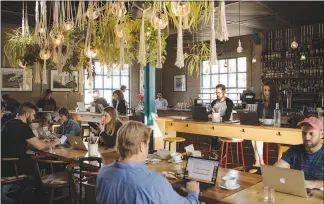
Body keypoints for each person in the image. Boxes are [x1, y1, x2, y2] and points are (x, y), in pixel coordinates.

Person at [96, 121, 200, 204]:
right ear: (141, 147)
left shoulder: (103, 173)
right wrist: (193, 193)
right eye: (147, 145)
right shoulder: (155, 183)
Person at [1, 102, 60, 176]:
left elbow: (17, 142)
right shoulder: (23, 127)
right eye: (33, 115)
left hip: (4, 166)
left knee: (38, 158)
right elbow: (40, 146)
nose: (34, 118)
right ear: (26, 114)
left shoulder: (8, 123)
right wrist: (55, 143)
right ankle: (49, 185)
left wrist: (40, 141)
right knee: (49, 160)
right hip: (15, 167)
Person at [274, 117, 323, 190]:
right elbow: (274, 171)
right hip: (297, 194)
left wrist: (312, 184)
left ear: (322, 134)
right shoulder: (294, 150)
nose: (306, 137)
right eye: (304, 133)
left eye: (311, 133)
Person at [253, 80, 280, 166]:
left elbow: (277, 118)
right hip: (262, 128)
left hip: (272, 130)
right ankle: (259, 160)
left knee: (257, 135)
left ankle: (259, 160)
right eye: (265, 90)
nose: (266, 92)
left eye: (268, 90)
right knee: (253, 135)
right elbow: (257, 117)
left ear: (272, 91)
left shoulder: (276, 103)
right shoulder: (260, 104)